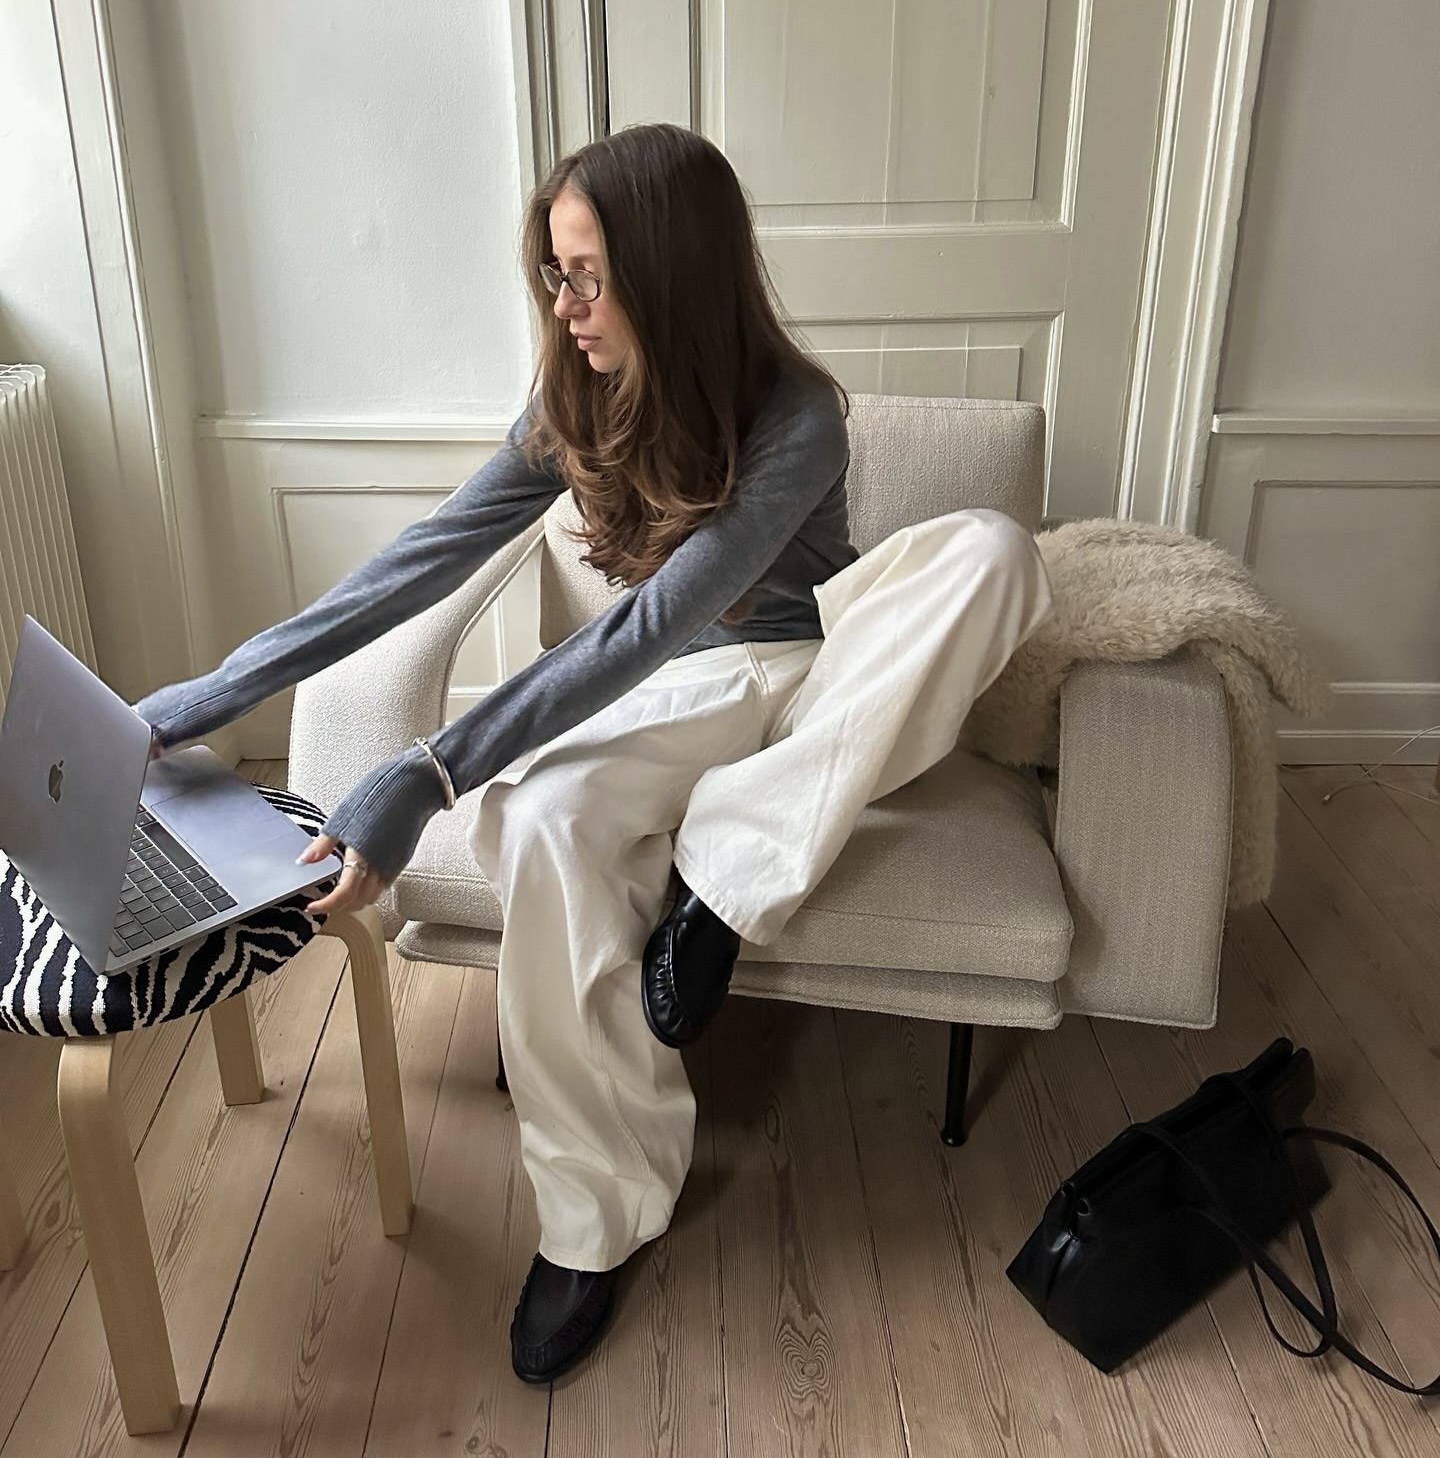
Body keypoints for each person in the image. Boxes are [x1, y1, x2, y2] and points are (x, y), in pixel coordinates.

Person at [137, 123, 1052, 1382]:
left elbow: (660, 611)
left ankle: (723, 885)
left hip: (829, 674)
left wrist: (431, 770)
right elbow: (428, 559)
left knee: (997, 553)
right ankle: (594, 1222)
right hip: (687, 690)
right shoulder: (570, 401)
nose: (564, 306)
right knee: (548, 822)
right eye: (555, 274)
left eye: (589, 276)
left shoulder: (798, 417)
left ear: (674, 278)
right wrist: (216, 692)